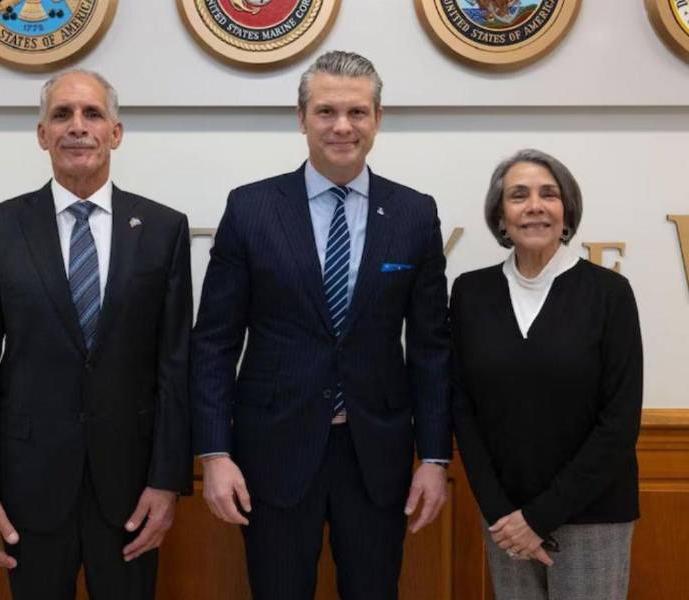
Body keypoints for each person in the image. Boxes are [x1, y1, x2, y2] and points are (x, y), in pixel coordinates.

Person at [191, 51, 451, 600]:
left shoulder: (413, 214)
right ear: (302, 117)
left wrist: (433, 457)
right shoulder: (251, 209)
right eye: (326, 111)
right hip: (272, 453)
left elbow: (430, 349)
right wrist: (215, 455)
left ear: (378, 118)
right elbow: (214, 343)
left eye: (357, 112)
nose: (342, 126)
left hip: (376, 458)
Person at [0, 69, 193, 600]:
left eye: (92, 114)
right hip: (27, 492)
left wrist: (167, 482)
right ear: (42, 135)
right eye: (61, 115)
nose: (77, 127)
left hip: (131, 492)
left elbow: (175, 367)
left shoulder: (163, 230)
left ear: (116, 132)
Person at [452, 149, 643, 600]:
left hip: (593, 516)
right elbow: (461, 407)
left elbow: (618, 423)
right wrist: (502, 513)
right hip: (505, 519)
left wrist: (539, 518)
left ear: (566, 211)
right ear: (500, 216)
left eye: (548, 194)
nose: (534, 205)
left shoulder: (609, 294)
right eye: (519, 195)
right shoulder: (470, 293)